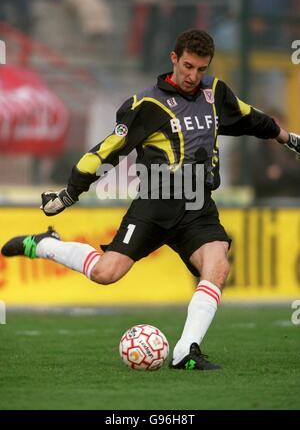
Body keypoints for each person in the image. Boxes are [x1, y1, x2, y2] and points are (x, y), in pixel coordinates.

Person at [2, 29, 300, 370]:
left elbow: (252, 118)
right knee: (105, 273)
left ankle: (186, 352)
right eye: (188, 66)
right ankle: (45, 245)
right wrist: (70, 193)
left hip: (198, 206)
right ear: (174, 58)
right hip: (155, 205)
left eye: (201, 69)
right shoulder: (146, 105)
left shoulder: (215, 93)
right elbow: (105, 151)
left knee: (217, 267)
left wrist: (289, 138)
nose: (193, 76)